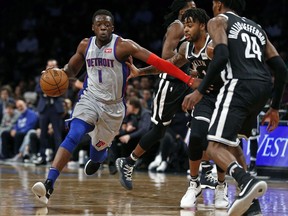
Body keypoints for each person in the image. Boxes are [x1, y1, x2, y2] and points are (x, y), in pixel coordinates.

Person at [31, 9, 199, 205]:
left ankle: (97, 159)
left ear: (113, 27)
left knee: (97, 153)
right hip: (89, 99)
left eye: (108, 24)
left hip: (113, 109)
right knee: (74, 133)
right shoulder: (85, 45)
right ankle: (49, 184)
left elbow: (161, 63)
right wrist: (57, 72)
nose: (103, 27)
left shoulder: (124, 46)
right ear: (93, 27)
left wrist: (188, 80)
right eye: (99, 24)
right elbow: (71, 71)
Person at [181, 0, 287, 215]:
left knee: (213, 146)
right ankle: (252, 203)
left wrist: (199, 91)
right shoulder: (257, 28)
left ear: (218, 4)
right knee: (233, 143)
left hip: (239, 84)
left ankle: (245, 180)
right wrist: (274, 107)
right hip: (263, 86)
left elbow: (221, 56)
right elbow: (281, 68)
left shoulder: (218, 21)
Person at [122, 8, 230, 209]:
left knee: (217, 142)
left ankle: (221, 187)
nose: (185, 29)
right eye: (185, 25)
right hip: (204, 98)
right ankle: (193, 184)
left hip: (224, 96)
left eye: (190, 25)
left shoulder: (213, 46)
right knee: (197, 138)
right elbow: (167, 65)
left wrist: (203, 81)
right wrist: (140, 72)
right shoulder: (186, 49)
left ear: (202, 26)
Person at [33, 59, 65, 165]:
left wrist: (51, 89)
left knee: (57, 134)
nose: (51, 68)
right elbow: (37, 89)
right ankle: (42, 156)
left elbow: (63, 90)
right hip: (44, 108)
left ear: (57, 66)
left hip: (55, 108)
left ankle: (58, 159)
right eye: (49, 66)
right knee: (42, 134)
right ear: (46, 66)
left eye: (53, 66)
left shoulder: (61, 76)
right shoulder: (41, 77)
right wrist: (49, 89)